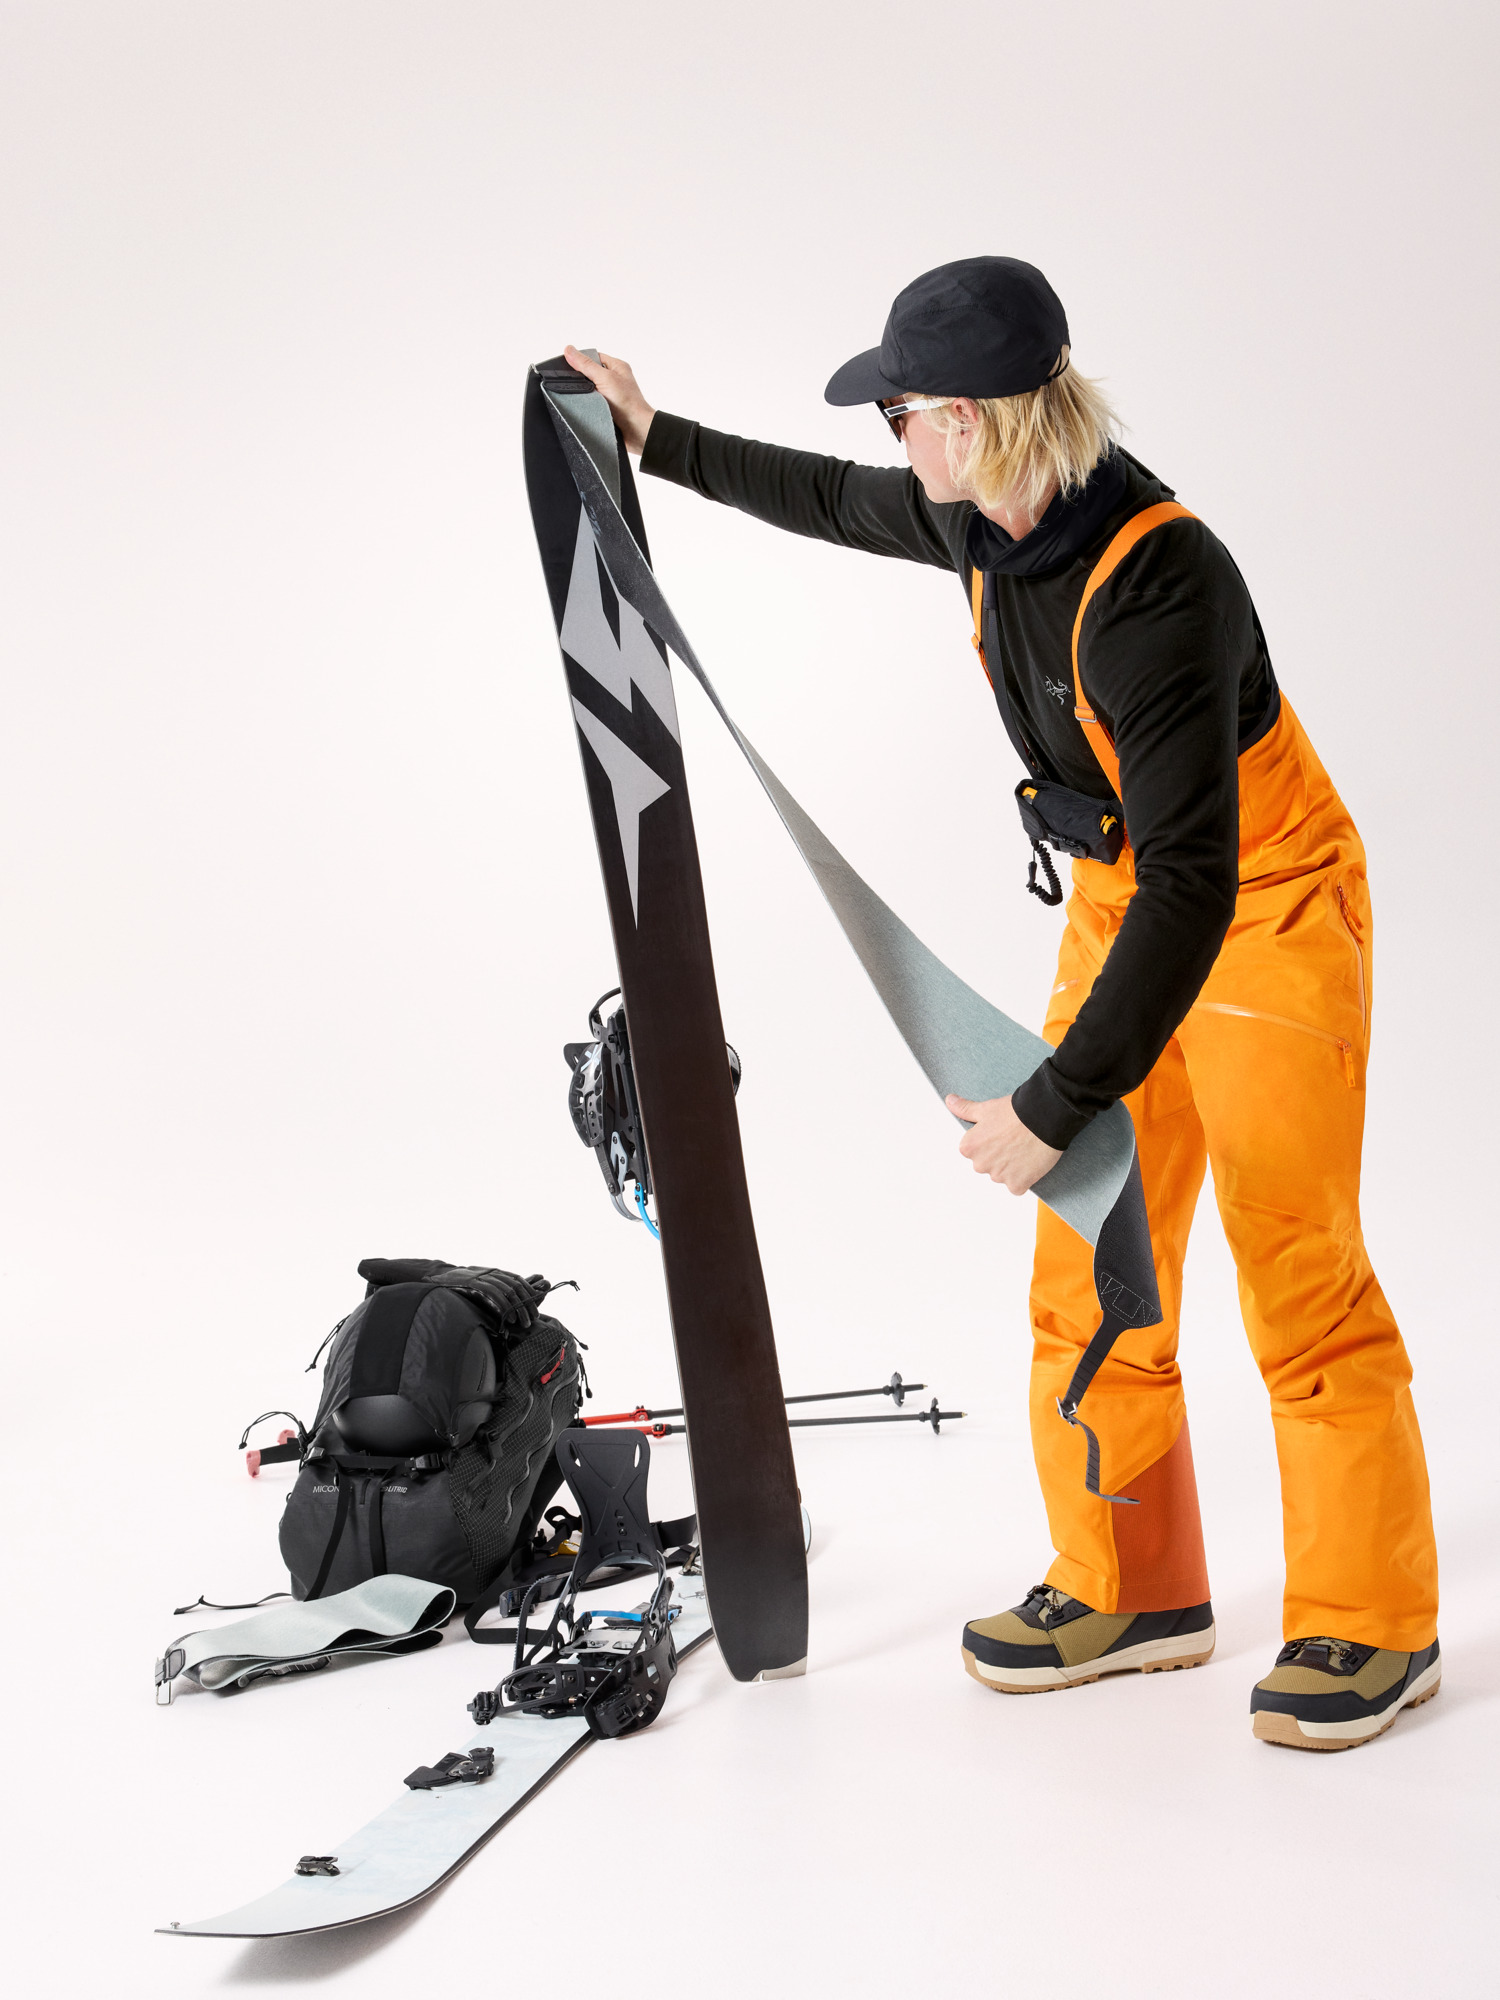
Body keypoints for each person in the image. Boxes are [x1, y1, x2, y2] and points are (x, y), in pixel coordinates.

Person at [561, 254, 1439, 1752]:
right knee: (1095, 1259)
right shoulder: (977, 514)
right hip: (1122, 905)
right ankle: (1134, 1590)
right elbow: (821, 497)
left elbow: (1196, 886)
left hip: (1263, 908)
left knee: (1296, 1269)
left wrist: (1053, 1100)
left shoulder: (1157, 585)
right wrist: (655, 438)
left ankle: (1374, 1623)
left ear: (964, 419)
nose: (891, 438)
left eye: (899, 410)